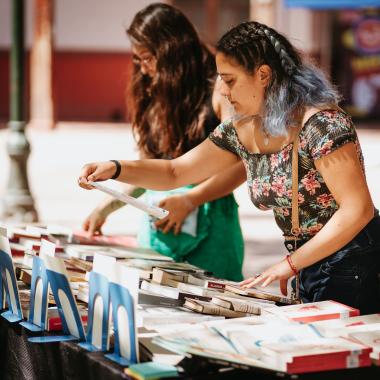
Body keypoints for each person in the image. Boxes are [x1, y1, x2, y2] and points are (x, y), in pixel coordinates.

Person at [79, 20, 380, 314]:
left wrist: (289, 265)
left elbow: (357, 210)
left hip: (354, 261)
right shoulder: (242, 129)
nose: (222, 91)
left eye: (230, 79)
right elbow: (176, 172)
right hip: (310, 260)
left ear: (263, 75)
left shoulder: (322, 124)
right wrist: (116, 167)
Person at [82, 3, 246, 281]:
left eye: (147, 58)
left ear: (172, 50)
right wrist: (107, 207)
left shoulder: (219, 89)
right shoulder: (151, 89)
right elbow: (153, 168)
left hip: (212, 226)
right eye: (138, 60)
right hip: (158, 228)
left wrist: (192, 199)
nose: (144, 69)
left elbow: (243, 164)